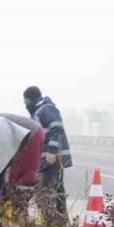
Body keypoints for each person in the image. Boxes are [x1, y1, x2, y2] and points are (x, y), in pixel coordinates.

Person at [23, 86, 73, 218]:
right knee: (56, 191)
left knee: (47, 190)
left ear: (31, 100)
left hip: (52, 157)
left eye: (26, 102)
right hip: (47, 159)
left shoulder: (46, 109)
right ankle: (59, 222)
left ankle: (51, 220)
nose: (25, 105)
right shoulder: (37, 112)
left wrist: (52, 151)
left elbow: (56, 129)